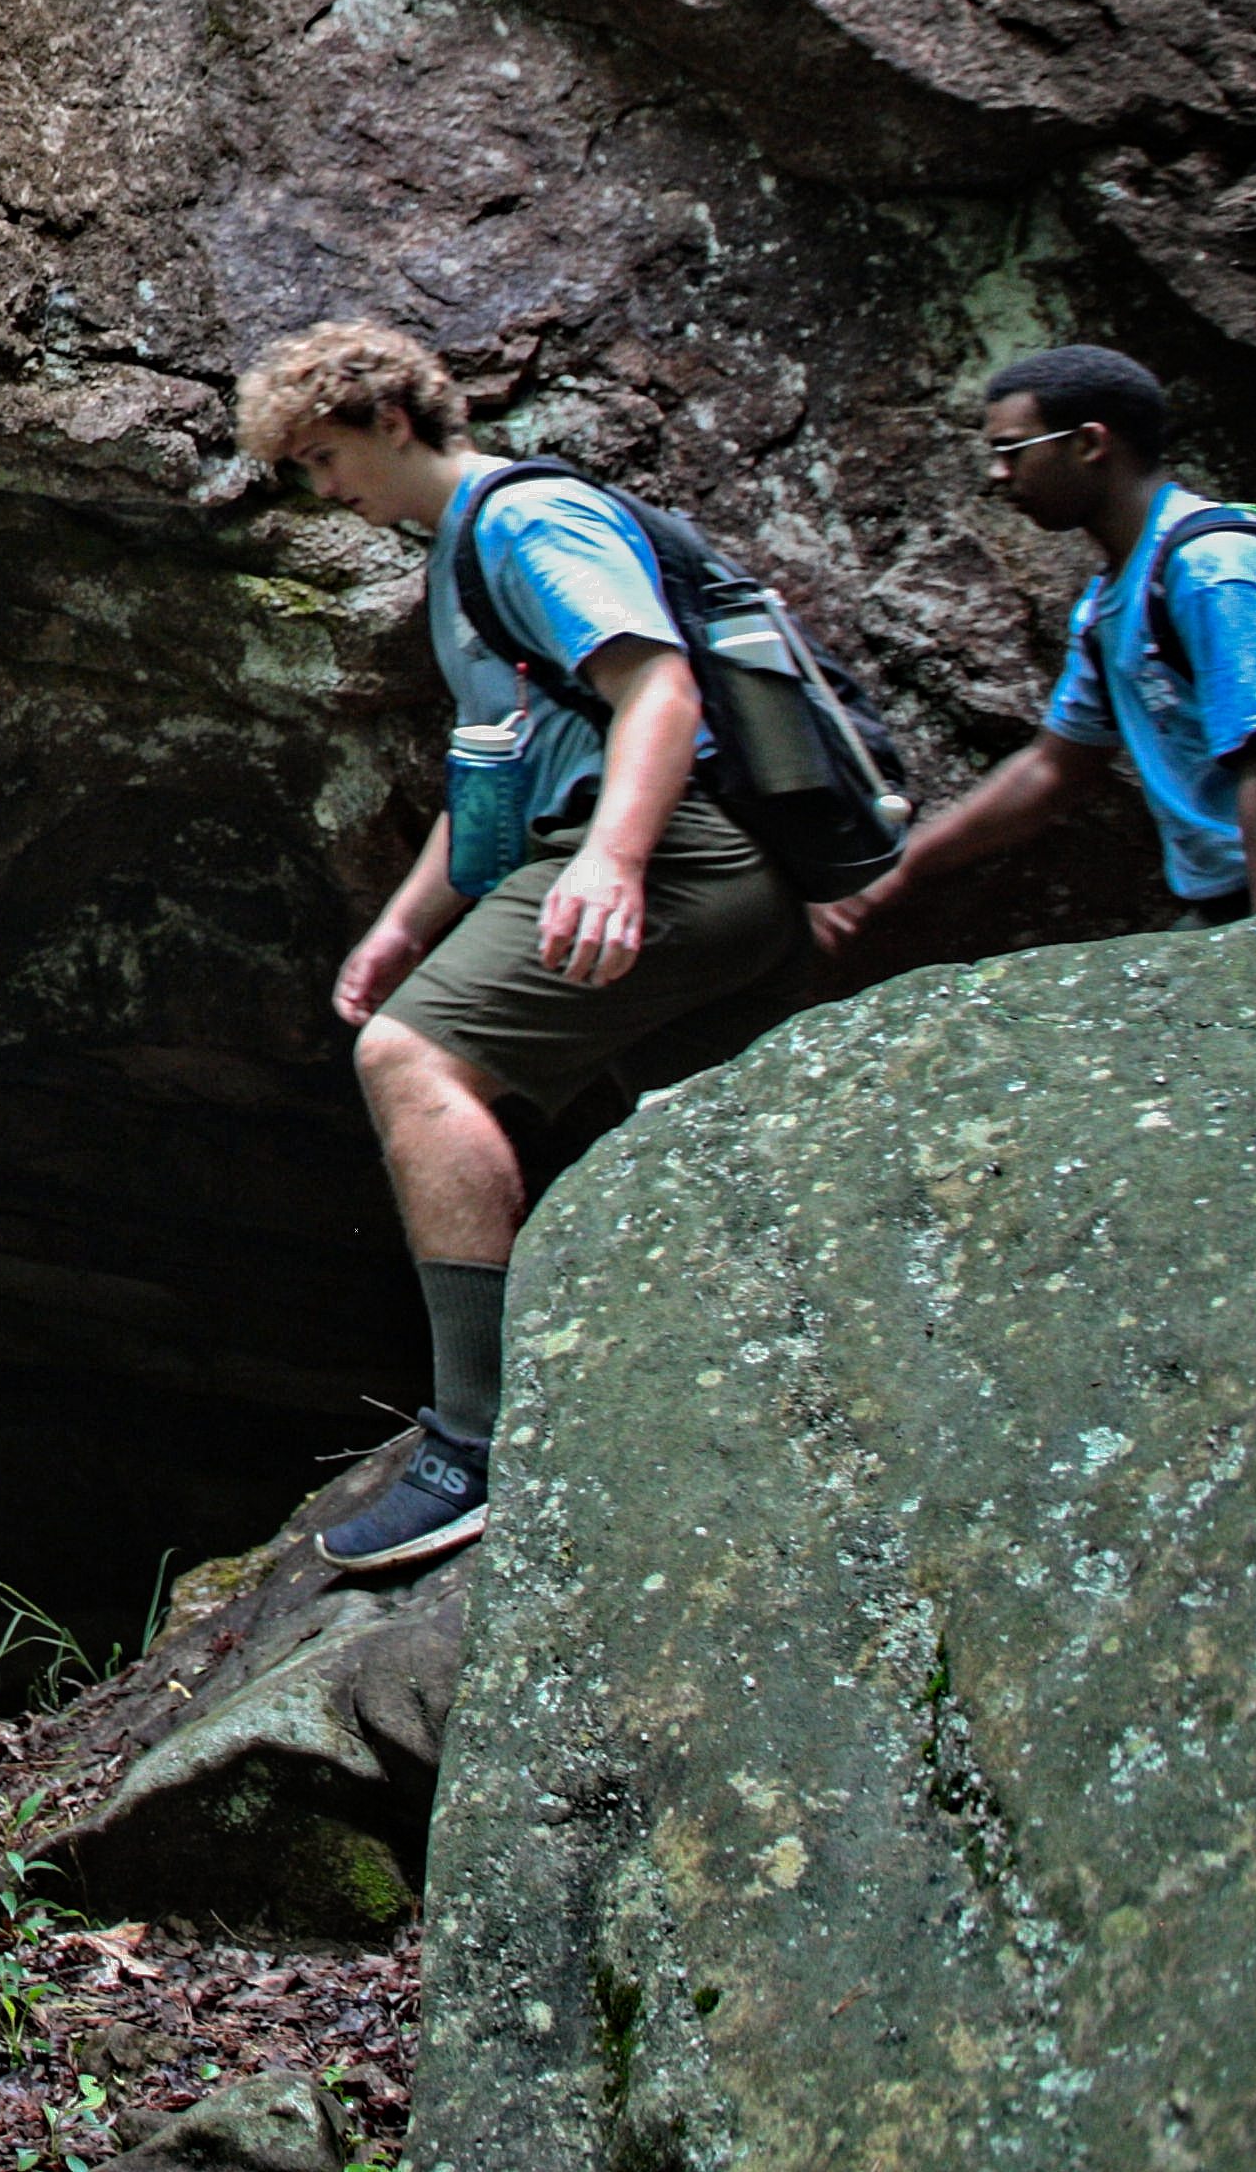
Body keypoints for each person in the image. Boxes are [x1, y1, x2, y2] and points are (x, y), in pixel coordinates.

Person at [237, 324, 812, 1578]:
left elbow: (658, 690)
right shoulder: (463, 563)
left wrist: (612, 860)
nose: (326, 492)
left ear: (394, 418)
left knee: (412, 1062)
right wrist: (399, 927)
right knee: (704, 1142)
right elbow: (495, 772)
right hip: (634, 856)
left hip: (675, 854)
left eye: (328, 459)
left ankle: (473, 1448)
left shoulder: (525, 523)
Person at [810, 342, 1256, 950]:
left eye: (1011, 451)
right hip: (1237, 897)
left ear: (1089, 443)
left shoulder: (1215, 570)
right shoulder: (1116, 597)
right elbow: (1054, 767)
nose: (997, 476)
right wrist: (900, 869)